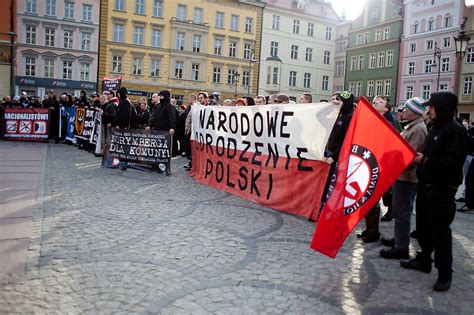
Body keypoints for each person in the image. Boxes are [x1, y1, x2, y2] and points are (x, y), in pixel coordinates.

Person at [400, 92, 467, 292]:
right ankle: (424, 259)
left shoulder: (454, 131)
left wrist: (423, 161)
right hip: (426, 186)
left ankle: (445, 273)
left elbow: (453, 163)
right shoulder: (435, 127)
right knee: (424, 228)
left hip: (442, 189)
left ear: (442, 108)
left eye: (432, 107)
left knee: (440, 232)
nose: (428, 110)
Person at [379, 97, 428, 259]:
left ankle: (401, 247)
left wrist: (393, 165)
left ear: (414, 112)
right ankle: (399, 239)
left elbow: (411, 157)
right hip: (400, 175)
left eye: (405, 109)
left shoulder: (418, 129)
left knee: (402, 212)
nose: (402, 111)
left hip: (406, 177)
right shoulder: (412, 126)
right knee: (399, 211)